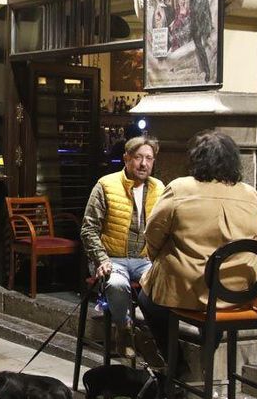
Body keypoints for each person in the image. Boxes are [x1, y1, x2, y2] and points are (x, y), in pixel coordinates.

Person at [136, 130, 257, 365]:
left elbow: (153, 235)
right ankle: (207, 352)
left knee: (147, 298)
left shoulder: (180, 188)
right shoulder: (250, 194)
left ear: (196, 158)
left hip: (190, 289)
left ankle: (176, 363)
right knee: (212, 309)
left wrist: (160, 259)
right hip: (241, 292)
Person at [80, 136, 163, 355]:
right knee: (117, 284)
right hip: (111, 259)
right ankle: (125, 329)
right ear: (126, 158)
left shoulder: (159, 188)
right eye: (138, 158)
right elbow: (88, 228)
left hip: (145, 260)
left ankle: (156, 339)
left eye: (149, 158)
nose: (143, 164)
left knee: (164, 284)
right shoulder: (106, 184)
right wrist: (101, 259)